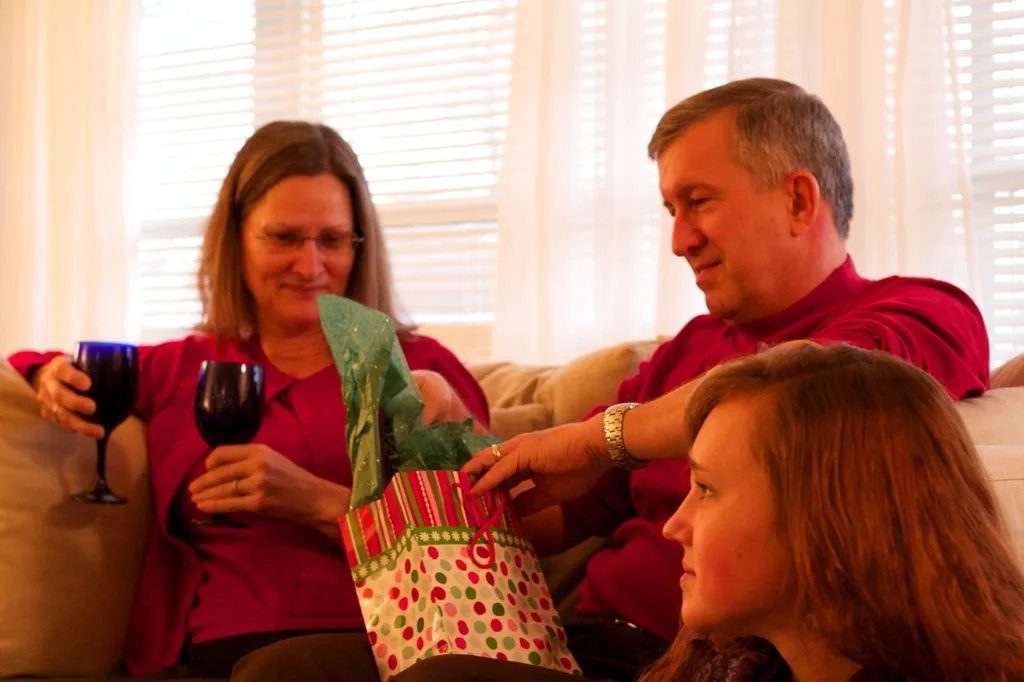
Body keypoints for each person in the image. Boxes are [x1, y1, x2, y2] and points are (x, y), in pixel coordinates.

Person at [228, 78, 993, 682]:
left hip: (701, 659)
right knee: (280, 668)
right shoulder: (690, 345)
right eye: (669, 208)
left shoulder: (920, 311)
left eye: (698, 203)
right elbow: (562, 510)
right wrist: (456, 448)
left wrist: (598, 437)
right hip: (567, 640)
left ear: (797, 198)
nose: (679, 240)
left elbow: (797, 390)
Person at [7, 121, 489, 680]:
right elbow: (43, 367)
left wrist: (318, 503)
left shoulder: (416, 370)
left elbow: (479, 541)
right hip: (207, 653)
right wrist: (45, 374)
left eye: (332, 240)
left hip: (381, 648)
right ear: (236, 236)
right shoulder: (182, 366)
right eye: (284, 237)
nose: (310, 266)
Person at [458, 343, 1024, 681]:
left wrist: (593, 441)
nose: (674, 526)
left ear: (832, 518)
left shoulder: (908, 315)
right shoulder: (730, 663)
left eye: (704, 489)